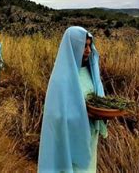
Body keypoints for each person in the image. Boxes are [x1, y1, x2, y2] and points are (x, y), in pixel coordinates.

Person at [38, 26, 108, 173]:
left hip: (89, 134)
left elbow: (98, 97)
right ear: (73, 46)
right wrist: (80, 114)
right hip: (70, 137)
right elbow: (55, 114)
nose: (88, 50)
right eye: (84, 46)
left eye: (89, 45)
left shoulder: (91, 72)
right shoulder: (61, 78)